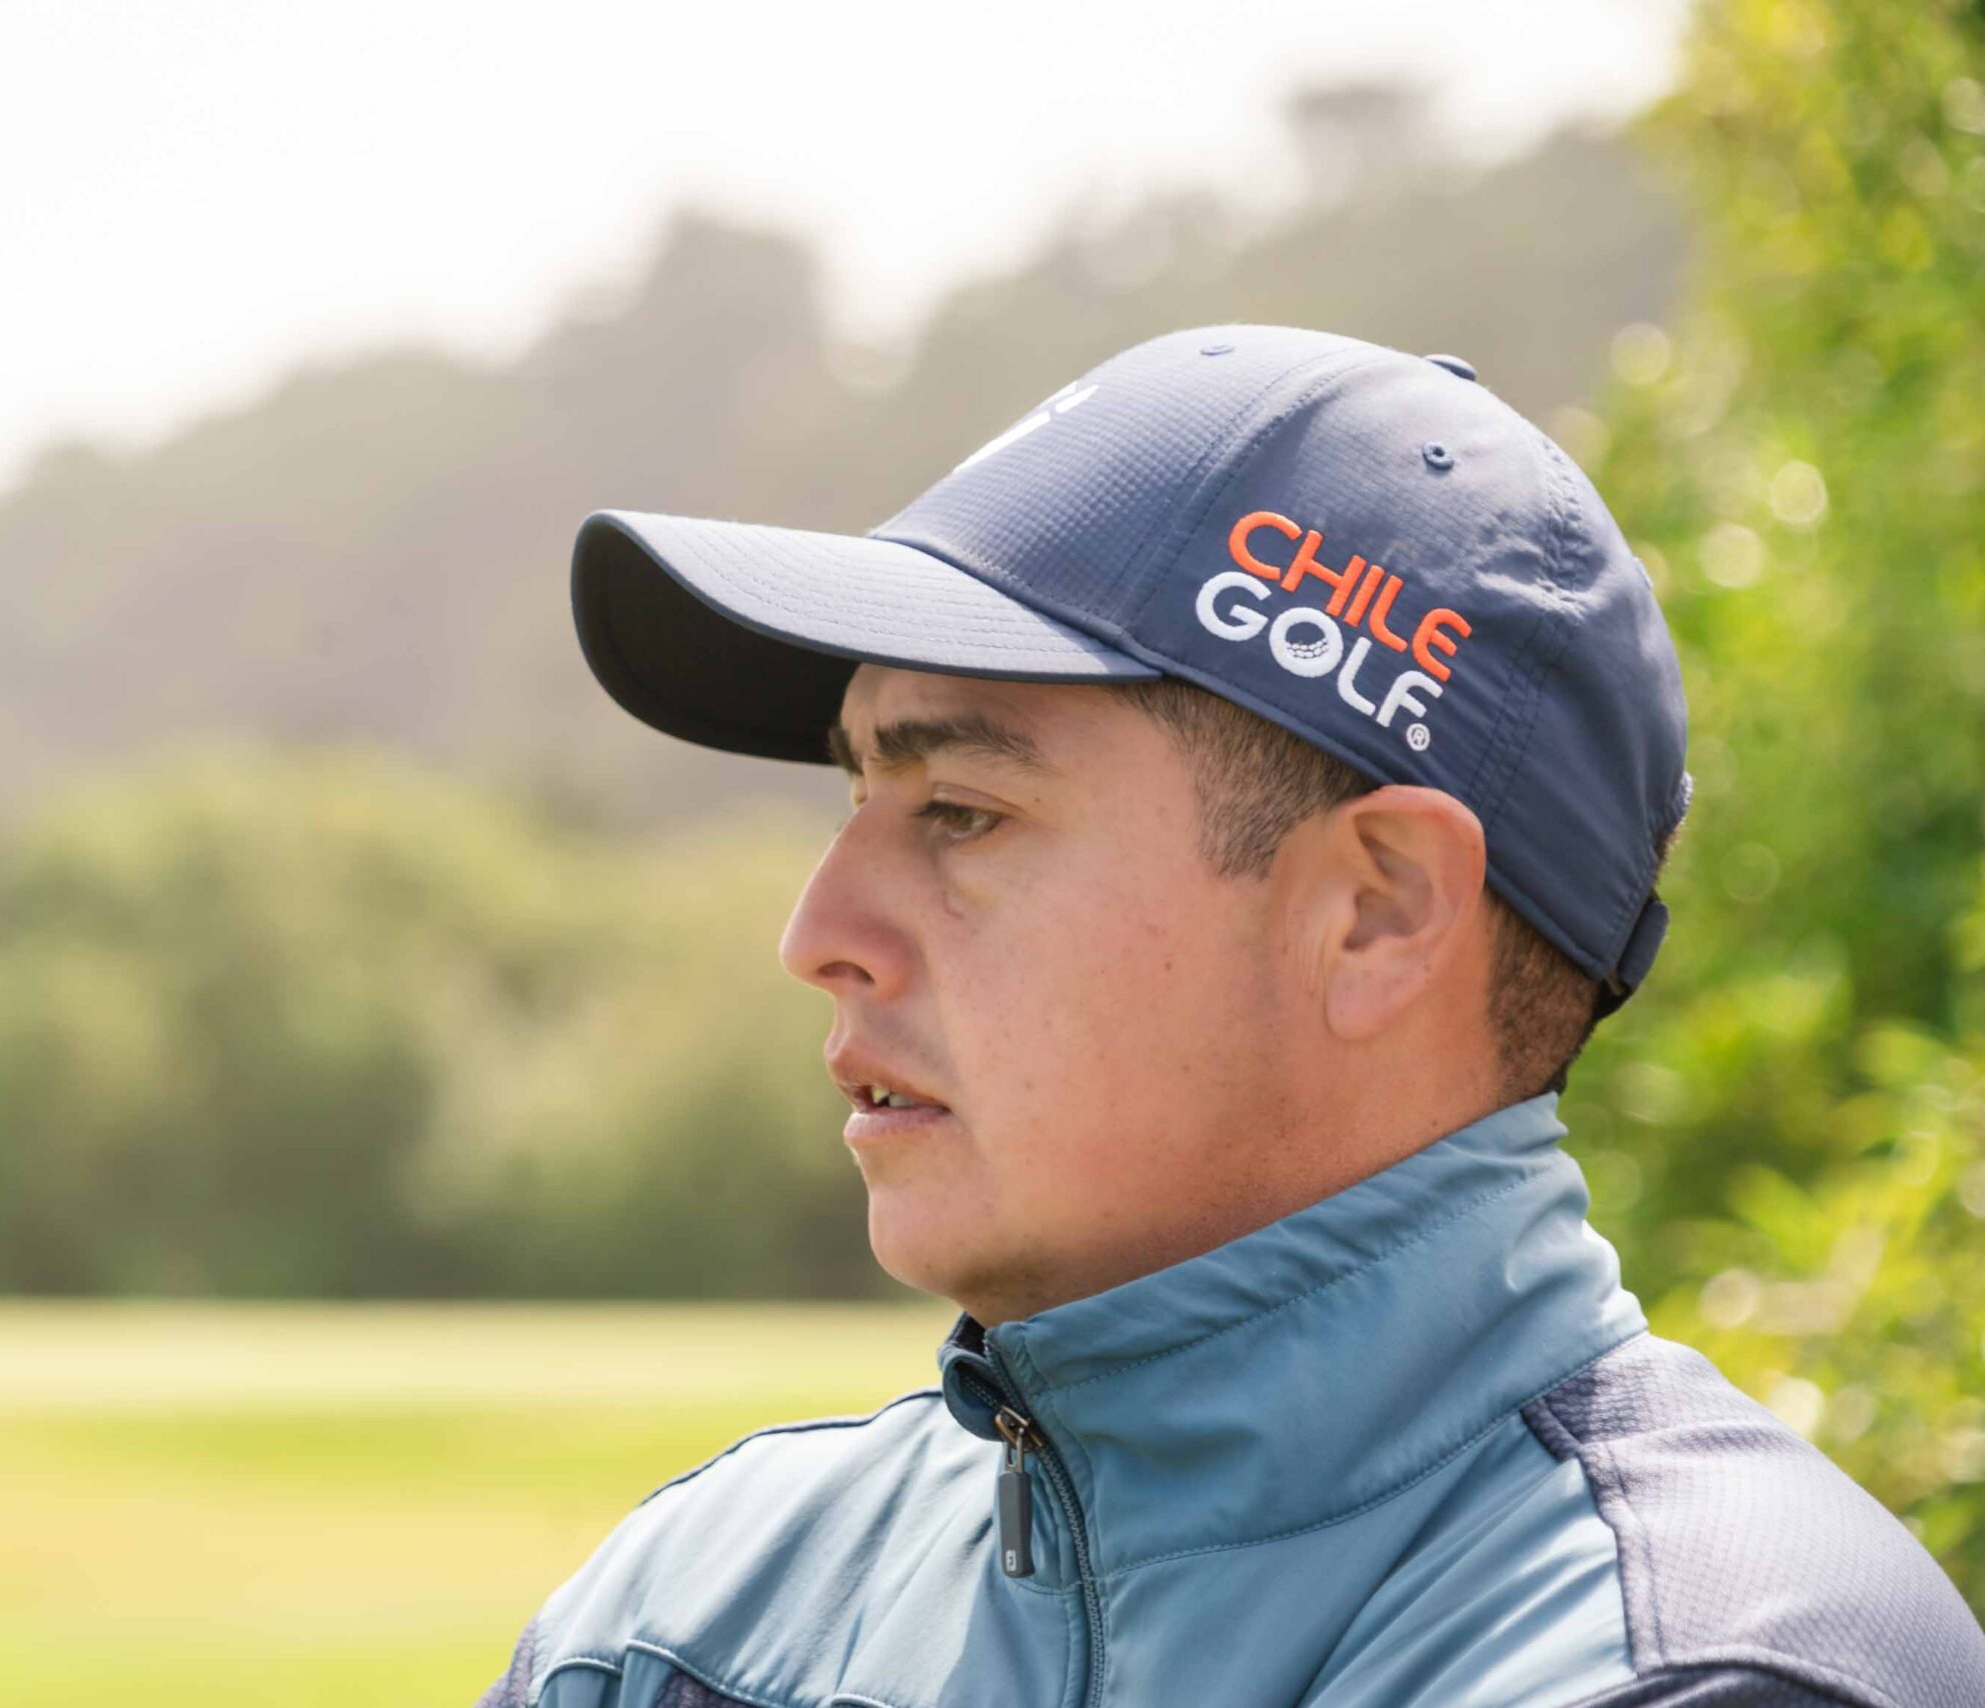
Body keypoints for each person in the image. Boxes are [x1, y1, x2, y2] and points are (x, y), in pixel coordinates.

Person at [476, 326, 1985, 1708]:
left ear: (1377, 911)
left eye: (962, 811)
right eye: (857, 792)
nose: (817, 937)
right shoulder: (685, 1621)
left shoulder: (1693, 1667)